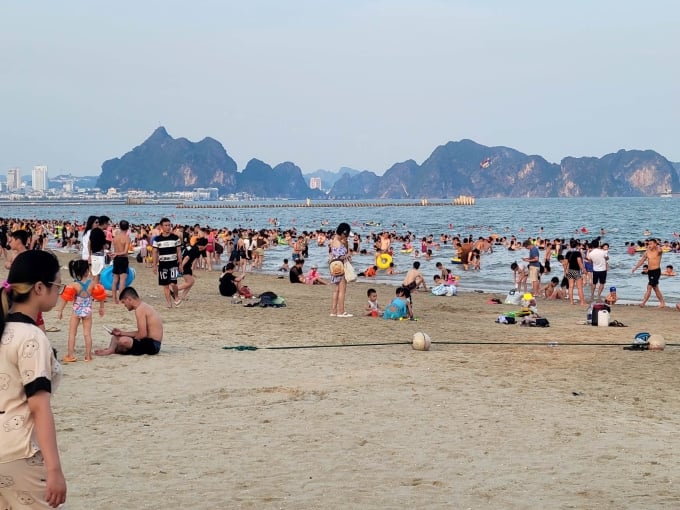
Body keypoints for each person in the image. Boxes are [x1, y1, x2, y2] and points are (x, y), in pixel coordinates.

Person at [0, 250, 68, 509]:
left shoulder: (3, 327)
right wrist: (54, 469)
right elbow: (39, 405)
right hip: (19, 450)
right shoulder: (31, 336)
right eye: (57, 286)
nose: (59, 293)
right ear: (39, 288)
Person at [57, 259, 105, 363]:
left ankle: (70, 355)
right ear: (87, 270)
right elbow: (100, 295)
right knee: (87, 334)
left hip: (76, 311)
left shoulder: (74, 285)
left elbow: (65, 299)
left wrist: (60, 310)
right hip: (87, 311)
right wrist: (101, 307)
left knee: (72, 334)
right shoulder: (92, 284)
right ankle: (88, 356)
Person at [95, 287, 163, 356]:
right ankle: (110, 350)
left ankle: (114, 350)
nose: (125, 305)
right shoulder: (143, 306)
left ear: (129, 299)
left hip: (153, 345)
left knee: (123, 341)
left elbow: (142, 334)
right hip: (148, 341)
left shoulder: (140, 310)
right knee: (115, 337)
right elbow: (141, 333)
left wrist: (131, 340)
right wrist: (121, 333)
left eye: (124, 302)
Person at [152, 217, 182, 308]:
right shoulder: (157, 239)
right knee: (165, 285)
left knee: (173, 283)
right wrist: (154, 265)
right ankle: (169, 303)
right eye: (166, 225)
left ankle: (176, 296)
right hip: (162, 264)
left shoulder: (175, 238)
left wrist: (180, 263)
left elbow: (179, 251)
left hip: (173, 263)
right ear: (161, 226)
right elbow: (155, 252)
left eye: (169, 225)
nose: (168, 227)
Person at [632, 238, 665, 308]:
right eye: (648, 244)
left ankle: (643, 303)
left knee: (650, 286)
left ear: (655, 244)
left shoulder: (658, 251)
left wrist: (657, 245)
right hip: (650, 272)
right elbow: (642, 260)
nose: (649, 245)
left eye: (651, 244)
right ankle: (662, 303)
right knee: (655, 288)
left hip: (656, 271)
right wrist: (635, 268)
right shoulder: (647, 252)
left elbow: (660, 250)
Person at [329, 222, 352, 317]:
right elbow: (342, 256)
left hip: (334, 268)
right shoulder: (339, 243)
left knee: (336, 290)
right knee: (342, 290)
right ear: (344, 232)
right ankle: (341, 311)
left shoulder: (334, 240)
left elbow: (332, 255)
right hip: (340, 267)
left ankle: (334, 311)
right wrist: (348, 254)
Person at [111, 220, 131, 304]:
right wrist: (117, 253)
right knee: (122, 280)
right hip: (123, 259)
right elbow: (125, 252)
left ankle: (114, 299)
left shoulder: (115, 237)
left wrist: (115, 254)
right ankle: (121, 299)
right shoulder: (127, 238)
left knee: (115, 280)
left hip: (116, 259)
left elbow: (113, 249)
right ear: (128, 227)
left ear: (119, 226)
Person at [88, 215, 110, 283]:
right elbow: (104, 246)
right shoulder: (101, 232)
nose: (108, 225)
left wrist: (89, 254)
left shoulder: (93, 231)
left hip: (93, 254)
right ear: (104, 223)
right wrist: (107, 246)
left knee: (94, 274)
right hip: (99, 256)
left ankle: (94, 290)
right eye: (107, 224)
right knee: (98, 275)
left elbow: (89, 243)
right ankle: (96, 291)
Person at [566, 238, 587, 307]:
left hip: (570, 270)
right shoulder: (577, 253)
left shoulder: (568, 253)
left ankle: (571, 301)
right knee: (579, 287)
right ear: (577, 245)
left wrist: (565, 270)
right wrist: (583, 269)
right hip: (576, 271)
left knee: (570, 287)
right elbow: (579, 262)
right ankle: (582, 302)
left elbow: (566, 263)